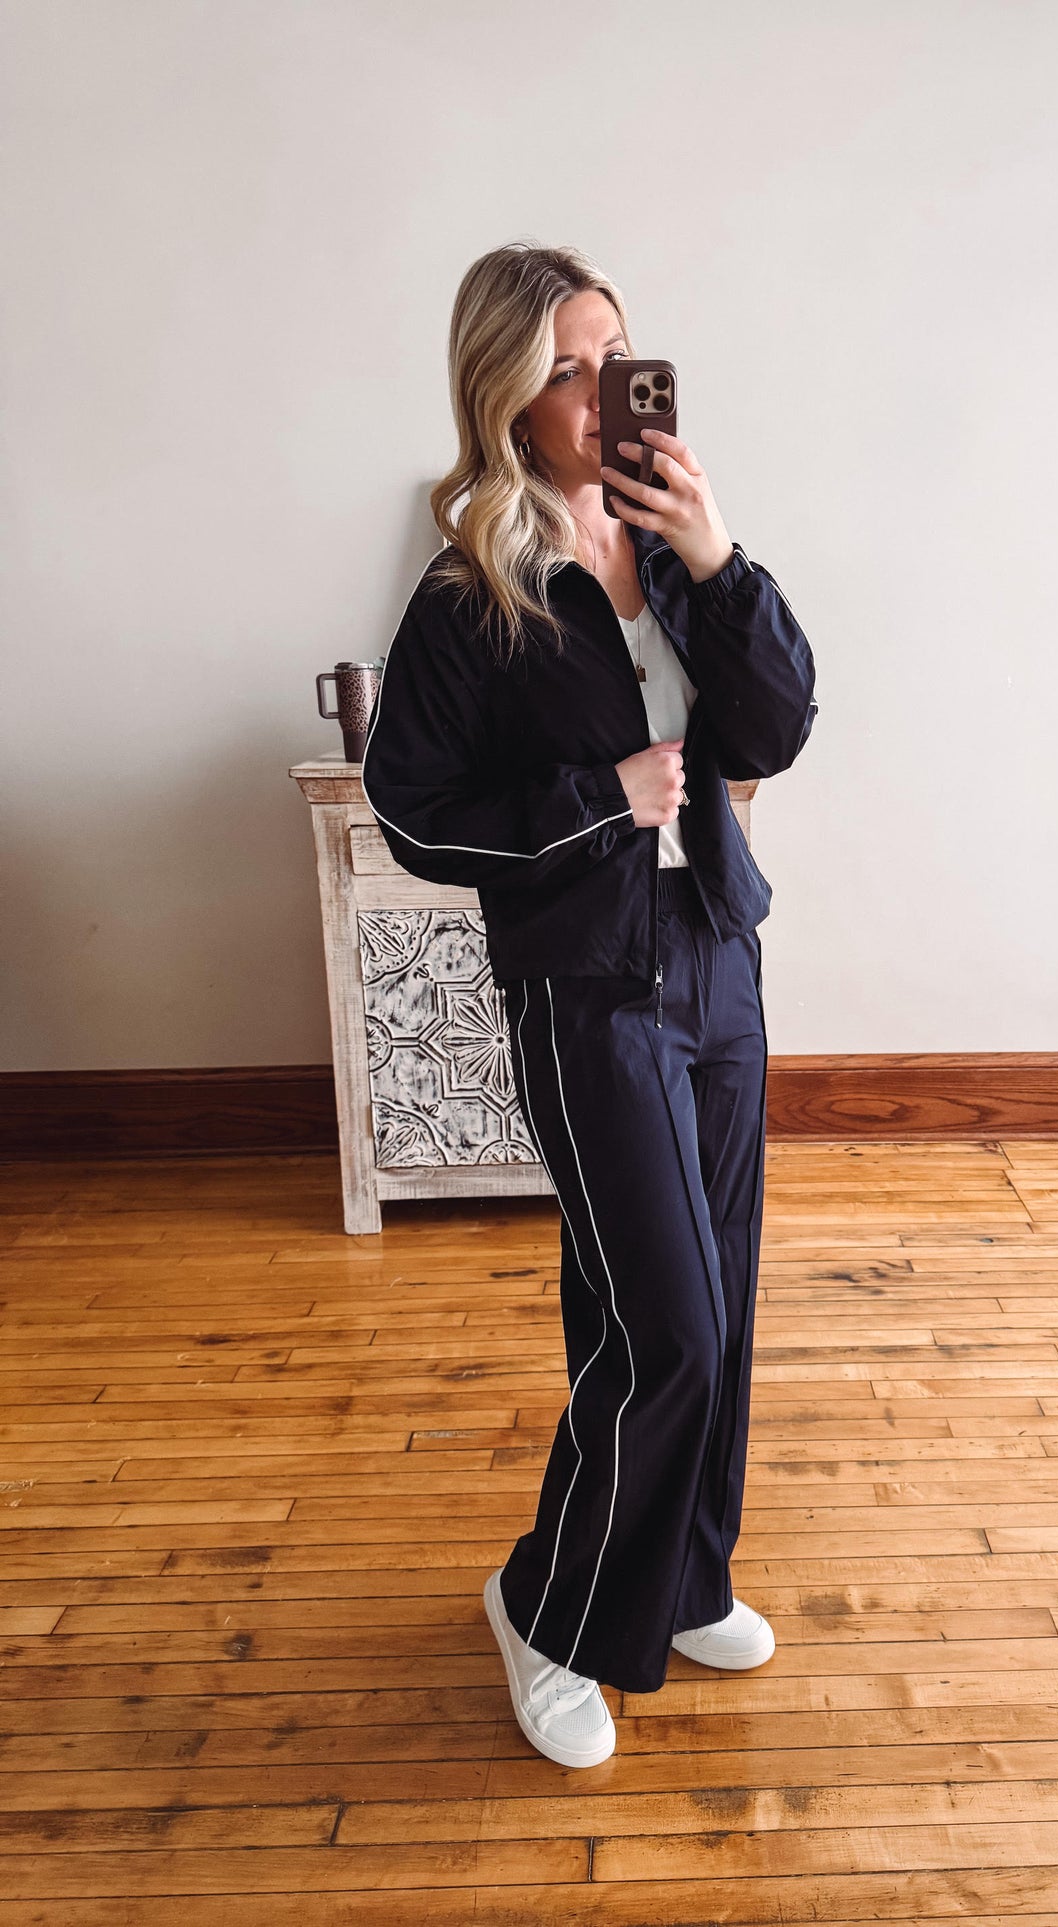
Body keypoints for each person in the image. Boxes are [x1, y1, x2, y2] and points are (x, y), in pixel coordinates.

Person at [361, 242, 818, 1768]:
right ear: (505, 395)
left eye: (614, 356)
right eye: (565, 368)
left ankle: (679, 1577)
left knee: (712, 1301)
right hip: (585, 983)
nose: (600, 390)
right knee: (662, 1324)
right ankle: (545, 1609)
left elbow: (776, 727)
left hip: (714, 954)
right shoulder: (470, 593)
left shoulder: (675, 550)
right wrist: (597, 798)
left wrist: (718, 555)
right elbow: (415, 814)